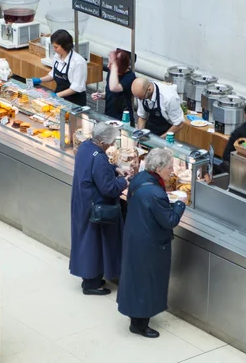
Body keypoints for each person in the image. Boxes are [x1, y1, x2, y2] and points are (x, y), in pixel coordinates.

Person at [118, 148, 187, 338]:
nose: (171, 171)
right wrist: (181, 203)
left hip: (135, 236)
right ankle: (141, 325)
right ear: (158, 168)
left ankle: (135, 318)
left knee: (136, 279)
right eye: (169, 168)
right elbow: (170, 221)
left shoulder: (140, 179)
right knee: (148, 282)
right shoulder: (155, 192)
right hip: (150, 244)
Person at [70, 122, 129, 295]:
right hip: (95, 206)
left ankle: (89, 278)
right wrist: (124, 181)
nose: (111, 146)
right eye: (110, 142)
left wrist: (114, 168)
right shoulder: (99, 157)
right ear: (103, 142)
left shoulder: (85, 147)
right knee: (94, 244)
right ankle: (92, 284)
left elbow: (95, 170)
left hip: (83, 201)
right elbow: (108, 188)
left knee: (85, 240)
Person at [32, 29, 87, 106]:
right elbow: (53, 74)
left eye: (56, 47)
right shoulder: (57, 56)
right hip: (59, 98)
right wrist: (39, 80)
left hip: (75, 101)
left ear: (65, 46)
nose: (54, 49)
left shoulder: (78, 62)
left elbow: (76, 88)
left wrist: (56, 95)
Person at [92, 49, 136, 125]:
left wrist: (114, 66)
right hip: (109, 115)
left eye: (111, 64)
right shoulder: (112, 72)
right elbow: (110, 92)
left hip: (123, 119)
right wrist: (101, 95)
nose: (108, 66)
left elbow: (114, 88)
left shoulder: (130, 77)